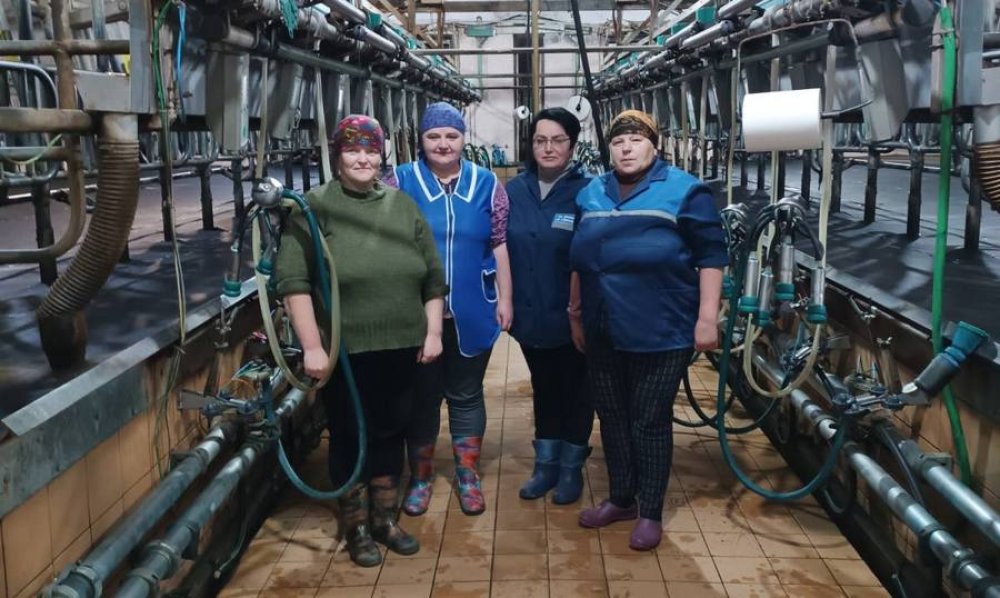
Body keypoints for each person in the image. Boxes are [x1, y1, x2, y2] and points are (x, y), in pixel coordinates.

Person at [274, 115, 447, 567]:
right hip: (346, 350)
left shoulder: (402, 206)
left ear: (381, 155)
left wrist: (432, 331)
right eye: (353, 150)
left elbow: (432, 276)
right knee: (351, 435)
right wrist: (313, 347)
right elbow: (293, 282)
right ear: (337, 156)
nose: (363, 158)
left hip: (402, 343)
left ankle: (384, 520)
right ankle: (356, 528)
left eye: (371, 150)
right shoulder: (312, 208)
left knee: (392, 430)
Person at [568, 110, 727, 550]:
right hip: (603, 325)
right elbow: (579, 258)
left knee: (649, 419)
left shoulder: (684, 190)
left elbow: (712, 256)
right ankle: (621, 498)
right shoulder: (591, 192)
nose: (626, 148)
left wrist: (707, 318)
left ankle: (651, 510)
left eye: (636, 140)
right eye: (618, 142)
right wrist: (575, 311)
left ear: (654, 146)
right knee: (612, 416)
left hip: (661, 328)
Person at [386, 102, 513, 516]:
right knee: (422, 398)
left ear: (463, 139)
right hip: (416, 312)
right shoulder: (400, 181)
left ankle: (467, 474)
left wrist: (506, 298)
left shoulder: (487, 183)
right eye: (434, 136)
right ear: (421, 140)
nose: (443, 144)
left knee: (466, 393)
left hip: (474, 307)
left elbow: (499, 243)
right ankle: (421, 478)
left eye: (452, 136)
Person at [504, 108, 593, 504]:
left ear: (572, 146)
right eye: (540, 140)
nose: (548, 148)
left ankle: (571, 468)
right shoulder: (514, 190)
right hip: (530, 315)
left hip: (575, 317)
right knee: (543, 387)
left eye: (558, 140)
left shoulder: (588, 192)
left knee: (577, 390)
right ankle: (546, 465)